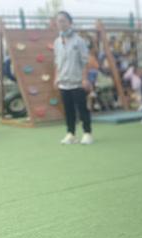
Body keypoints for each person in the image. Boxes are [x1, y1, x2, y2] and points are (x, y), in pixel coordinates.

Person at [53, 11, 93, 145]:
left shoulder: (79, 41)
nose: (61, 23)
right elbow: (57, 62)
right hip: (64, 82)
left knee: (82, 109)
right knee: (68, 110)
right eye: (58, 21)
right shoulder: (57, 42)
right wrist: (56, 78)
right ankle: (71, 134)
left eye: (63, 20)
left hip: (77, 82)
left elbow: (85, 61)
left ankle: (87, 133)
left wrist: (84, 79)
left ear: (70, 22)